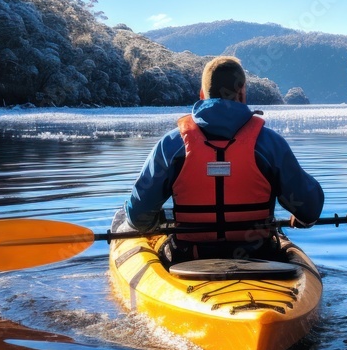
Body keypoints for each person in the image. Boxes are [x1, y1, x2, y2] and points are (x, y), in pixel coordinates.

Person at [124, 56, 324, 263]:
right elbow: (310, 209)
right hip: (259, 256)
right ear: (242, 93)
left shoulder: (171, 145)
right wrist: (300, 219)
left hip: (188, 258)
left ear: (202, 95)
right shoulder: (270, 144)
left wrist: (154, 223)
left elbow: (139, 217)